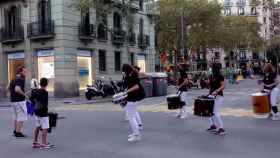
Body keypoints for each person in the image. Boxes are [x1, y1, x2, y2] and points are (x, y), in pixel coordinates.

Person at [122, 64, 145, 142]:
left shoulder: (134, 74)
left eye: (124, 71)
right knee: (131, 115)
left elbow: (136, 86)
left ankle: (136, 135)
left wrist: (127, 91)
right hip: (132, 97)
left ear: (127, 70)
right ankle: (135, 132)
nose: (123, 72)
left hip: (134, 97)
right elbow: (126, 84)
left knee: (131, 116)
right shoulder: (129, 74)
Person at [30, 78, 54, 149]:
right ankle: (44, 143)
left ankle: (35, 142)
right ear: (46, 84)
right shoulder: (45, 92)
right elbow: (45, 103)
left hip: (36, 111)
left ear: (40, 83)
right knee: (45, 127)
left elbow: (31, 99)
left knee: (37, 126)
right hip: (43, 112)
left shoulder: (36, 91)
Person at [207, 64, 227, 135]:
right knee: (210, 112)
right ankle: (214, 125)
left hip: (218, 96)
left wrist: (217, 90)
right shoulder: (211, 76)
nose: (210, 69)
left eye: (211, 68)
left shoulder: (219, 76)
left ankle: (221, 128)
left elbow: (223, 86)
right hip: (211, 95)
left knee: (216, 112)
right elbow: (210, 86)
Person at [10, 66, 28, 138]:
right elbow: (17, 89)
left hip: (13, 100)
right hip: (19, 101)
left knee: (16, 117)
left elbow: (8, 88)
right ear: (20, 72)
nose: (26, 73)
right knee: (21, 117)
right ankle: (18, 133)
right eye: (24, 72)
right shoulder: (20, 79)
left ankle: (15, 131)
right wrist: (25, 95)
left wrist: (13, 94)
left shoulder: (13, 78)